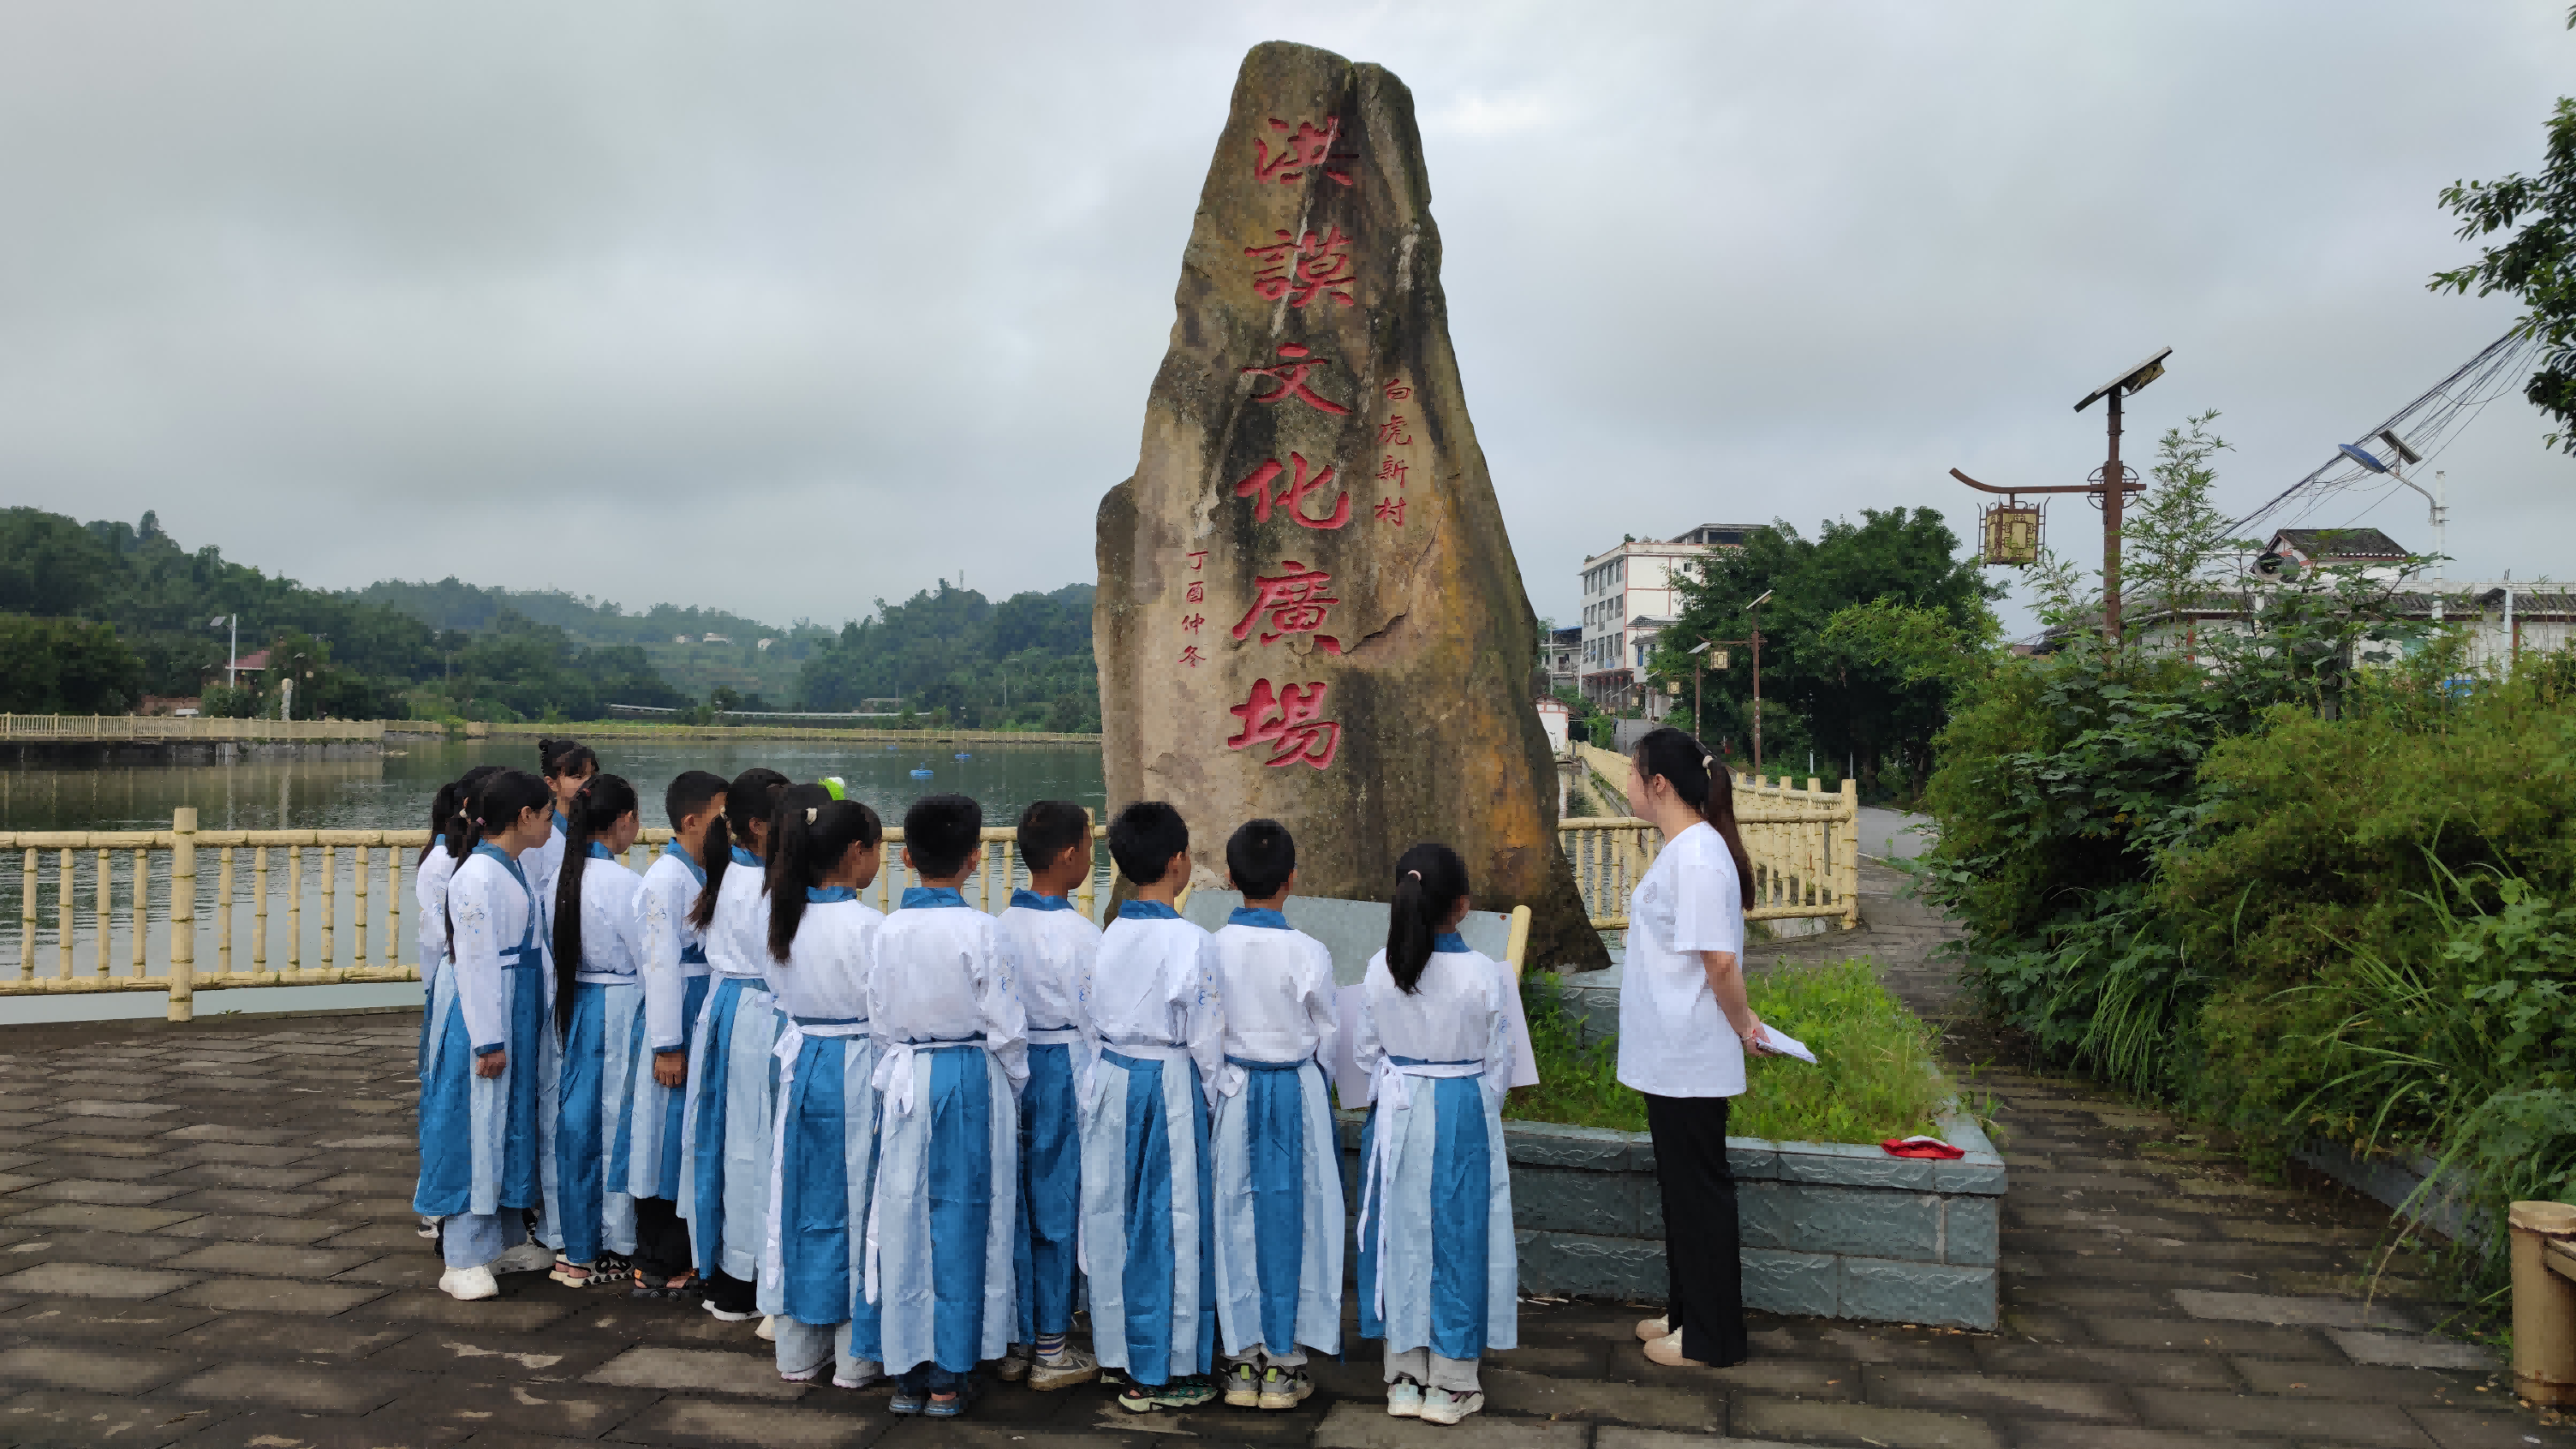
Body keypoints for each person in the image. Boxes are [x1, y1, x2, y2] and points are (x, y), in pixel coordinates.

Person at [864, 794, 1025, 1418]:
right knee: (964, 1224)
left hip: (906, 1076)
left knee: (904, 1222)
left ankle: (907, 1368)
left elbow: (880, 1020)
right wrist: (1010, 1089)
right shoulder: (984, 929)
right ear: (974, 858)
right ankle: (951, 1372)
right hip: (969, 1075)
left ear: (905, 857)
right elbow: (1009, 1029)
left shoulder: (887, 929)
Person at [1352, 843, 1517, 1426]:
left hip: (1397, 1111)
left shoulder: (1381, 968)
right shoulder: (1482, 974)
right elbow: (1500, 1063)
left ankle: (1403, 1374)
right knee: (1459, 1238)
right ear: (1463, 906)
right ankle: (1451, 1380)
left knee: (1401, 1237)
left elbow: (1366, 1053)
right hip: (1460, 1107)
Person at [1618, 725, 1763, 1370]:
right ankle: (1685, 1314)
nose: (1626, 782)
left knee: (1700, 1196)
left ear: (1659, 785)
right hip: (1670, 1054)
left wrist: (1744, 1024)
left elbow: (1720, 962)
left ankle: (1711, 1338)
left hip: (1691, 1055)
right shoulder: (1686, 850)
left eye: (1632, 771)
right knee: (1682, 1194)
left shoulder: (1699, 855)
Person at [1080, 801, 1222, 1414]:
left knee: (1113, 1214)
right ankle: (1165, 1365)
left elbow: (1090, 1015)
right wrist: (1215, 1099)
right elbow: (1207, 1033)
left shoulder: (1108, 933)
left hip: (1112, 1076)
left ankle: (1118, 1352)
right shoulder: (1191, 939)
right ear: (1176, 862)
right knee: (1170, 1222)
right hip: (1168, 1079)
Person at [415, 769, 564, 1301]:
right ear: (523, 817)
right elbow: (474, 962)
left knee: (508, 1121)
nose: (552, 825)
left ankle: (498, 1240)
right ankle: (462, 1253)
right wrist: (487, 1039)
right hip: (488, 1012)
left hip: (514, 1007)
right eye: (547, 816)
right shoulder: (477, 876)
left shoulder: (510, 868)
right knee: (473, 1124)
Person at [760, 787, 889, 1389]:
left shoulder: (784, 919)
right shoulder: (870, 927)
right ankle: (858, 1352)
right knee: (862, 1205)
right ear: (857, 852)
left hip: (804, 1063)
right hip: (860, 1067)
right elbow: (891, 1010)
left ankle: (800, 1346)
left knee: (802, 1205)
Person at [1206, 819, 1337, 1410]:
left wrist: (1216, 1086)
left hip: (1233, 1087)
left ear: (1229, 877)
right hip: (1295, 1090)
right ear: (1292, 879)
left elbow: (1202, 1033)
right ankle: (1284, 1363)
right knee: (1299, 1217)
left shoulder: (1210, 946)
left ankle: (1240, 1361)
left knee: (1232, 1213)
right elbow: (1329, 1036)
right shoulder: (1309, 951)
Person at [993, 800, 1103, 1391]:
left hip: (1008, 1066)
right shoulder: (1081, 935)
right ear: (1069, 856)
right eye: (1088, 846)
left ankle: (1012, 1336)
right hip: (1062, 1065)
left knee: (1013, 1202)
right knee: (1058, 1204)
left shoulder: (1000, 924)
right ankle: (1052, 1345)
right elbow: (1097, 1016)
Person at [677, 766, 790, 1322]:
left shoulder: (727, 874)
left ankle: (728, 1276)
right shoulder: (769, 883)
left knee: (727, 1146)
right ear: (759, 826)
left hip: (728, 1012)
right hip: (762, 1016)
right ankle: (759, 1280)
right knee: (761, 1146)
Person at [627, 769, 726, 1301]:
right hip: (677, 1015)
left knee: (686, 1136)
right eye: (720, 818)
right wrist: (667, 1044)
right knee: (664, 1138)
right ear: (692, 822)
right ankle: (657, 1259)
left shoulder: (697, 873)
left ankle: (679, 1253)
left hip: (695, 1007)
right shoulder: (666, 879)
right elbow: (659, 965)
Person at [548, 773, 645, 1289]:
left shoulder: (561, 879)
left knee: (578, 1127)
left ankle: (575, 1244)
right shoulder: (624, 884)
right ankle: (615, 1245)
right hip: (622, 1003)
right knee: (617, 1126)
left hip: (579, 1003)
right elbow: (649, 959)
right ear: (625, 821)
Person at [414, 763, 500, 1241]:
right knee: (449, 1097)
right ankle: (441, 1206)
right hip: (455, 987)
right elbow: (441, 938)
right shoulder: (450, 865)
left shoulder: (480, 861)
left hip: (473, 983)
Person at [526, 738, 599, 933]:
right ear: (552, 783)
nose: (587, 783)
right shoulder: (538, 835)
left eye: (592, 776)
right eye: (577, 776)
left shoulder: (600, 829)